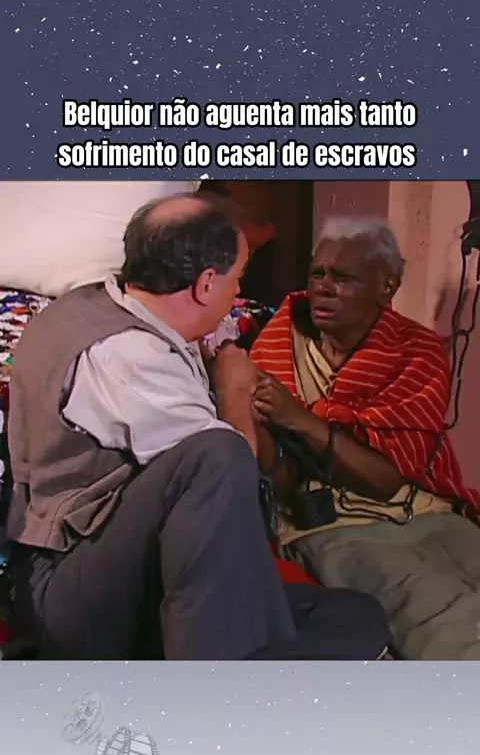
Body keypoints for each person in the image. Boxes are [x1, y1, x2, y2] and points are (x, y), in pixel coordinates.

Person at [5, 194, 390, 660]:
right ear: (207, 284)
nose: (236, 292)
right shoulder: (128, 356)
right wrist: (232, 394)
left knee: (357, 617)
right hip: (72, 594)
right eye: (238, 277)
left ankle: (219, 669)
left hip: (138, 572)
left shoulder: (90, 305)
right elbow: (234, 500)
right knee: (218, 456)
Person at [250, 214, 480, 660]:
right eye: (317, 274)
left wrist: (301, 420)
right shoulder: (277, 347)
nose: (323, 288)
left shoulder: (417, 351)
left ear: (386, 288)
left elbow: (388, 480)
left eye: (343, 278)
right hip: (337, 525)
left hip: (426, 508)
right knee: (441, 617)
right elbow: (280, 480)